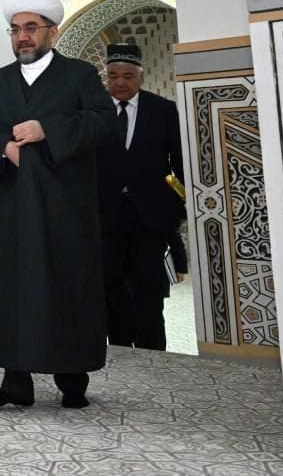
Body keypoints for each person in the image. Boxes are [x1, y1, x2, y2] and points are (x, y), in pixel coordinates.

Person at [0, 0, 114, 409]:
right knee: (17, 290)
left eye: (31, 28)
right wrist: (2, 147)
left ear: (53, 30)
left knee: (67, 285)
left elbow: (104, 123)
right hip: (17, 205)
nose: (22, 37)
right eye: (15, 30)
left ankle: (72, 379)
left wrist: (46, 128)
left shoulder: (80, 75)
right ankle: (16, 380)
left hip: (67, 206)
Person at [96, 43, 187, 351]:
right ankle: (119, 349)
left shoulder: (162, 110)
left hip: (150, 217)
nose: (120, 82)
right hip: (104, 217)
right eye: (113, 76)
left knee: (149, 288)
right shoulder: (93, 111)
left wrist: (177, 210)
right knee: (111, 287)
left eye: (128, 76)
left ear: (141, 77)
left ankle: (153, 353)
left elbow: (180, 162)